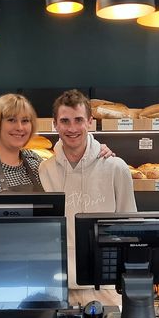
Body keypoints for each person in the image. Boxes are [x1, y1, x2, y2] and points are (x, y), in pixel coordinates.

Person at [0, 93, 114, 247]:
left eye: (25, 121)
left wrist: (96, 152)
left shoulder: (36, 164)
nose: (20, 127)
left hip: (37, 258)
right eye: (11, 120)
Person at [39, 89, 137, 294]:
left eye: (79, 120)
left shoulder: (116, 168)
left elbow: (131, 228)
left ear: (90, 122)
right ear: (55, 124)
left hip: (107, 285)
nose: (72, 128)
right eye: (65, 121)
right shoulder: (44, 170)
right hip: (57, 283)